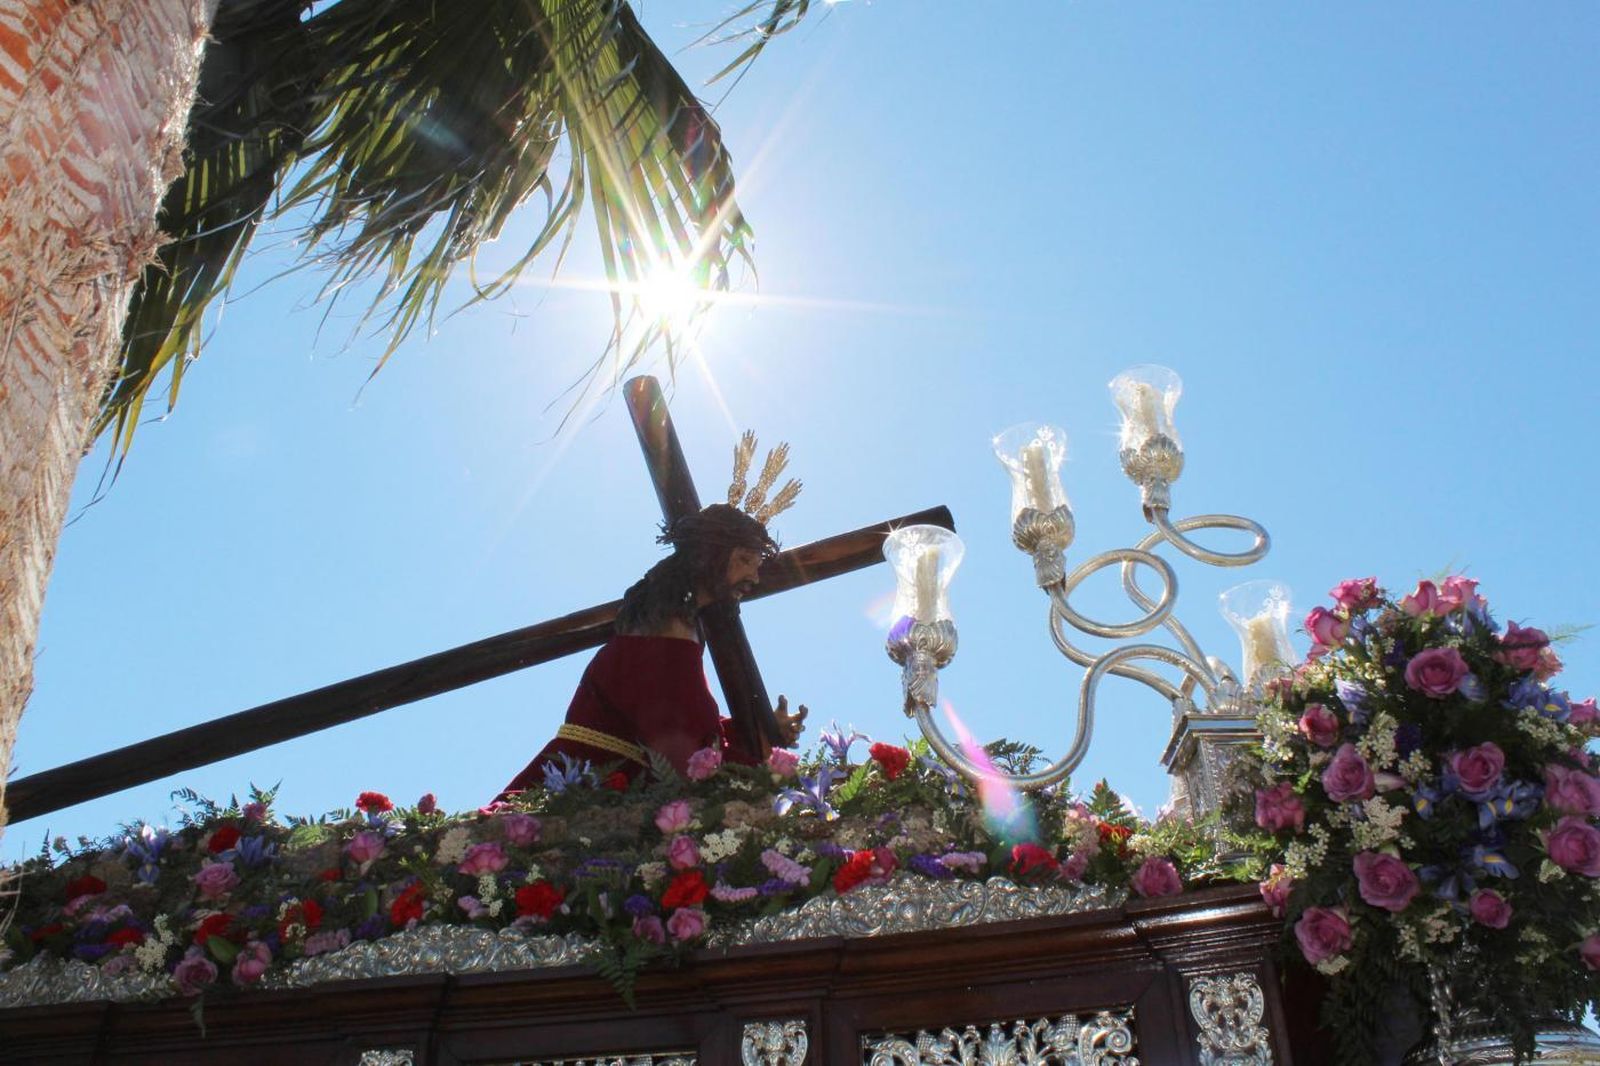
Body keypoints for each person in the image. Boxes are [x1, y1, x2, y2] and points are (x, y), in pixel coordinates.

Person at [497, 468, 808, 799]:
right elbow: (682, 749)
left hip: (615, 790)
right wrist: (770, 776)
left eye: (756, 566)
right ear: (709, 555)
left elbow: (686, 725)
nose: (753, 578)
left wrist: (759, 730)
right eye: (745, 560)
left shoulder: (681, 630)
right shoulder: (663, 632)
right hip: (584, 791)